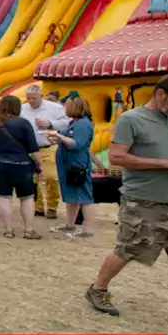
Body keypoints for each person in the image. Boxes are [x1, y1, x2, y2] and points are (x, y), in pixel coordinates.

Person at [86, 74, 168, 331]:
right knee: (129, 250)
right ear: (160, 93)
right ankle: (98, 288)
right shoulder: (131, 120)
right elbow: (117, 157)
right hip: (144, 200)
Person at [0, 95, 43, 239]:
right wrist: (40, 165)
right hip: (21, 164)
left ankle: (8, 229)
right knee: (27, 197)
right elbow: (33, 149)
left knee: (4, 196)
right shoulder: (23, 123)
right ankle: (28, 229)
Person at [22, 84, 69, 219]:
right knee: (34, 180)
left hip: (49, 147)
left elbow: (66, 122)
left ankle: (52, 206)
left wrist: (50, 124)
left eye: (34, 98)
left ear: (41, 96)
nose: (31, 101)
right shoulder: (23, 109)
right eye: (29, 98)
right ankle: (38, 207)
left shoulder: (55, 108)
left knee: (51, 177)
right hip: (29, 149)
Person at [53, 97, 96, 239]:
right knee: (71, 195)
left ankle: (88, 230)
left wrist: (57, 135)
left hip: (77, 164)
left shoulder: (83, 124)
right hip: (68, 163)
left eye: (67, 105)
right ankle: (70, 224)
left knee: (84, 195)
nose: (64, 108)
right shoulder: (74, 123)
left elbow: (76, 144)